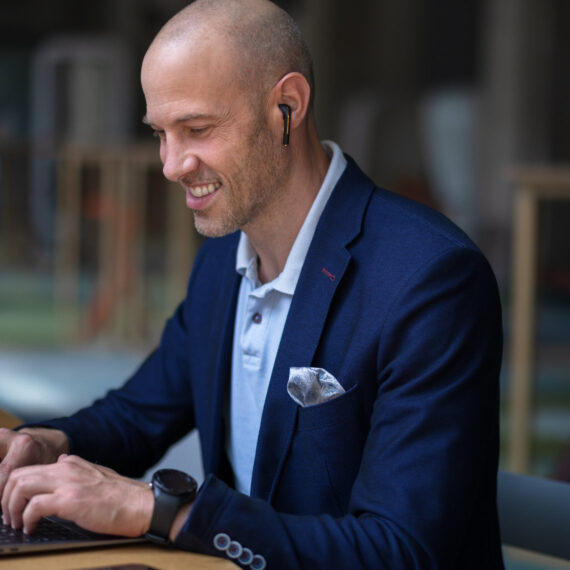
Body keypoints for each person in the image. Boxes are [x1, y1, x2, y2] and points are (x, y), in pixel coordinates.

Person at [0, 0, 505, 568]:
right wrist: (46, 444)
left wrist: (165, 512)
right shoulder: (223, 259)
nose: (170, 164)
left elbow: (402, 551)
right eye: (161, 133)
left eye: (196, 129)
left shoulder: (432, 279)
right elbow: (138, 414)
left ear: (286, 107)